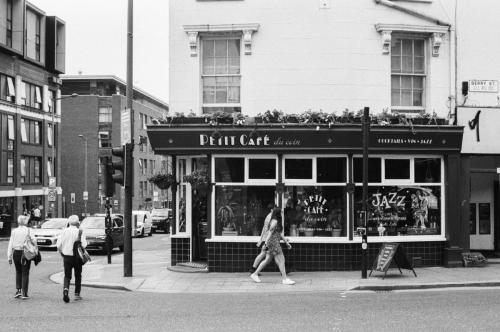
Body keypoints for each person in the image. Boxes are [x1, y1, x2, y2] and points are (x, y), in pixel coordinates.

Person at [251, 208, 295, 285]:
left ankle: (255, 274)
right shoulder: (275, 221)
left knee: (267, 260)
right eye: (280, 212)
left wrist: (285, 242)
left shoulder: (275, 221)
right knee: (281, 260)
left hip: (273, 243)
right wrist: (265, 243)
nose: (282, 214)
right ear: (278, 213)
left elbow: (279, 233)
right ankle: (284, 279)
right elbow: (270, 233)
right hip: (273, 243)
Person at [57, 215, 87, 303]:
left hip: (66, 256)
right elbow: (84, 245)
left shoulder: (64, 231)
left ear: (69, 222)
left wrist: (62, 252)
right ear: (78, 222)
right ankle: (77, 294)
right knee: (78, 275)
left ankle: (66, 290)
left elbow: (59, 245)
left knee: (67, 275)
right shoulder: (80, 232)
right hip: (77, 257)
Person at [7, 215, 35, 299]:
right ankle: (24, 293)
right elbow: (34, 241)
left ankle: (18, 290)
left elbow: (10, 244)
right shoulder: (29, 230)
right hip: (25, 253)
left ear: (18, 222)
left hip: (16, 253)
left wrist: (9, 256)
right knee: (25, 272)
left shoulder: (14, 231)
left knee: (18, 271)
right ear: (25, 222)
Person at [250, 203, 275, 274]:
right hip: (268, 238)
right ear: (271, 210)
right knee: (264, 255)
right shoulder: (271, 217)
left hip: (266, 238)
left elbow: (264, 228)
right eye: (275, 209)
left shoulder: (269, 216)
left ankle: (253, 268)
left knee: (263, 254)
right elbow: (270, 229)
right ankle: (254, 269)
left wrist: (261, 239)